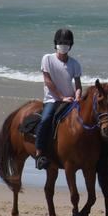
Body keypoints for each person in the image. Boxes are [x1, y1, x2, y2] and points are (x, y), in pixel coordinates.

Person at [34, 27, 83, 170]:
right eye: (61, 42)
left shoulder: (75, 64)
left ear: (71, 45)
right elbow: (48, 82)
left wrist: (78, 95)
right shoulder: (47, 59)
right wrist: (62, 97)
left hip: (71, 100)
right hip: (53, 100)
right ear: (56, 43)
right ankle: (39, 152)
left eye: (67, 42)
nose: (64, 45)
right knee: (45, 119)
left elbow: (78, 85)